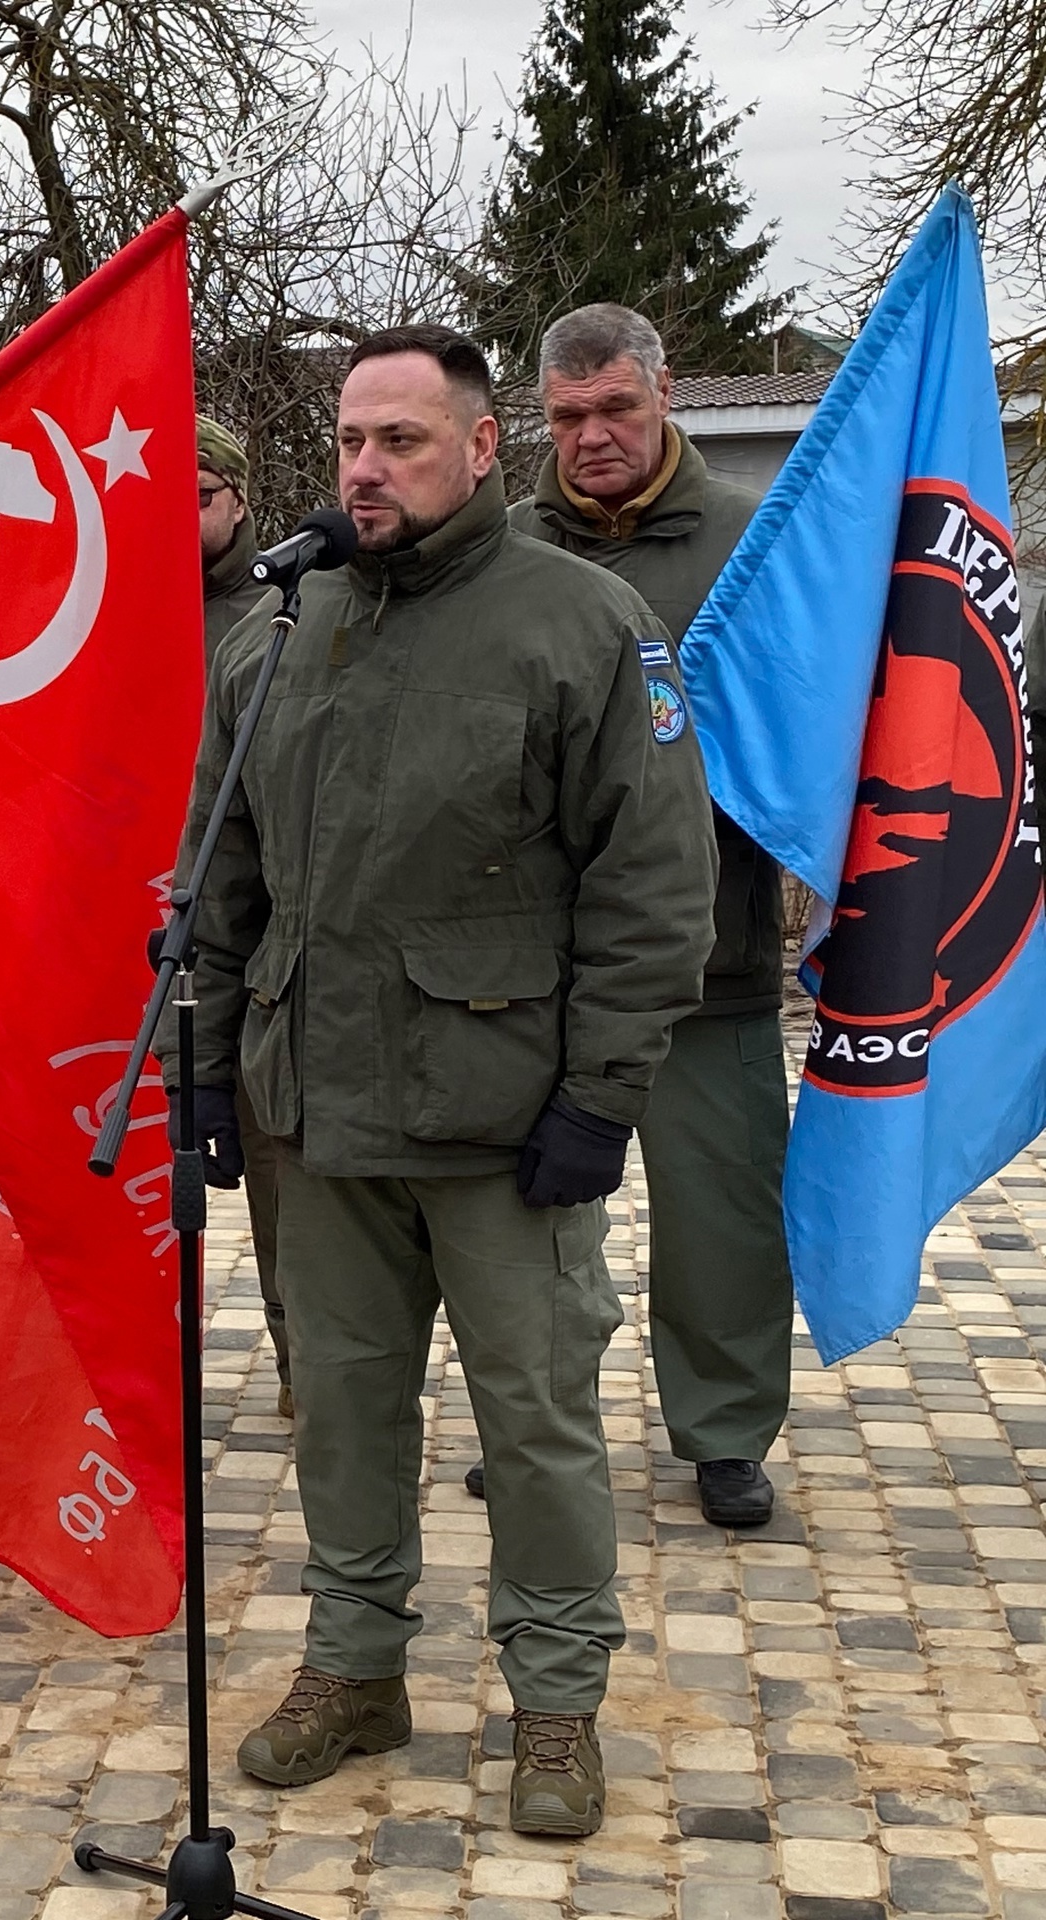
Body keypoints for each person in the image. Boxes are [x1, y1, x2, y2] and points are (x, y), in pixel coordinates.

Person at [173, 326, 716, 1837]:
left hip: (505, 1122)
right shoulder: (284, 629)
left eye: (404, 440)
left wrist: (600, 1097)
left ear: (484, 451)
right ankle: (357, 1668)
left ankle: (555, 1700)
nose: (366, 467)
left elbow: (654, 888)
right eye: (352, 440)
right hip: (319, 1114)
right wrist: (212, 1078)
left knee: (535, 1419)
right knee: (342, 1408)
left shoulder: (583, 625)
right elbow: (220, 879)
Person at [492, 302, 787, 1529]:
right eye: (566, 417)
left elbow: (812, 728)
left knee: (718, 1211)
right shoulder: (501, 548)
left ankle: (721, 1432)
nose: (593, 437)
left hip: (708, 954)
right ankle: (534, 1432)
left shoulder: (758, 540)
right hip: (529, 967)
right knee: (527, 1226)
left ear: (665, 395)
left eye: (615, 407)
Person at [190, 416, 291, 1416]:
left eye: (200, 500)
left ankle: (309, 1365)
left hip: (255, 939)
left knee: (281, 1183)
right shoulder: (102, 608)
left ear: (236, 498)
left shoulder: (280, 614)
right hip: (130, 938)